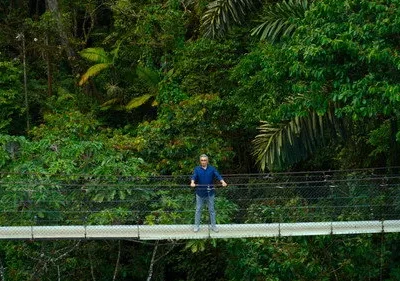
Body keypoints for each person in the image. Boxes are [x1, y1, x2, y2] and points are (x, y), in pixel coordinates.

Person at [190, 154, 227, 233]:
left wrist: (223, 182)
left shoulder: (212, 168)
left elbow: (218, 175)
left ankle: (213, 226)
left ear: (207, 161)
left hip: (210, 193)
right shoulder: (197, 169)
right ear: (200, 161)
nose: (203, 162)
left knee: (212, 210)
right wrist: (192, 182)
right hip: (200, 193)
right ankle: (196, 226)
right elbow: (194, 176)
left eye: (205, 160)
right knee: (198, 210)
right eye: (202, 160)